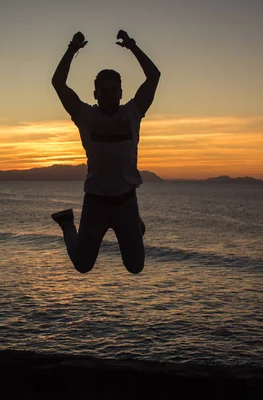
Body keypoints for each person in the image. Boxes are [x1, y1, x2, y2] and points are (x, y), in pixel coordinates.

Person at [50, 30, 161, 274]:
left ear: (121, 93)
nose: (109, 95)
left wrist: (132, 46)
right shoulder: (85, 117)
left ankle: (135, 225)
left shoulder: (132, 113)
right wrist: (72, 48)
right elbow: (58, 83)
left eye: (114, 90)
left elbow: (154, 76)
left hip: (126, 201)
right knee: (83, 265)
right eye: (104, 90)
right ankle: (67, 223)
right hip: (96, 203)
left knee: (135, 267)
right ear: (95, 94)